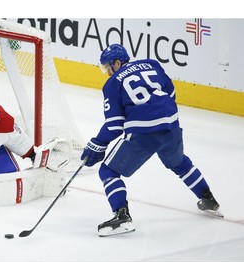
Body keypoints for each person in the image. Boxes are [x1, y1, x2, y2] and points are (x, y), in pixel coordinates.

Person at [80, 44, 223, 237]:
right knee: (180, 163)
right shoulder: (152, 65)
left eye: (108, 67)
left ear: (117, 62)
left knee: (108, 170)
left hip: (143, 134)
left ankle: (122, 216)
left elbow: (114, 125)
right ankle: (208, 199)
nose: (107, 72)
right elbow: (171, 94)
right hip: (171, 126)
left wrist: (96, 144)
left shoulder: (113, 83)